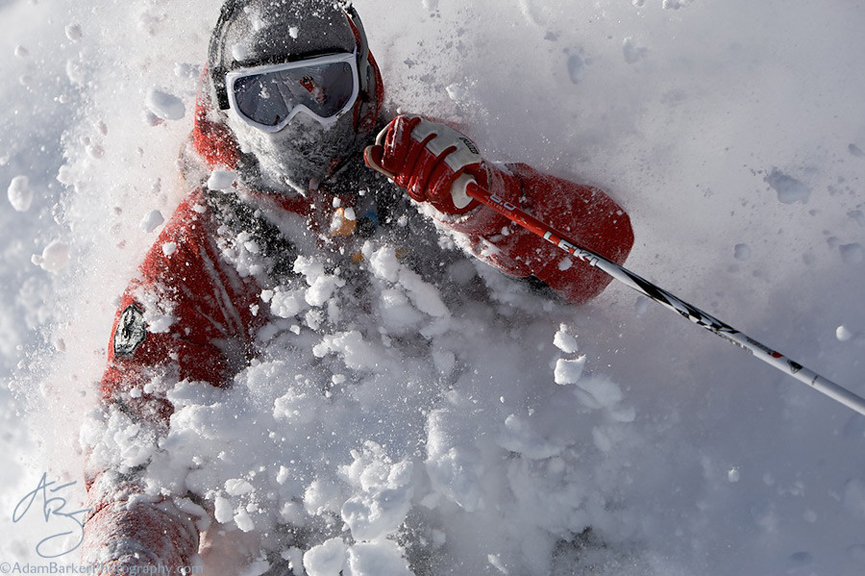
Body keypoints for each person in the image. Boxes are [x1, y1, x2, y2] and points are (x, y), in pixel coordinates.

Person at [79, 0, 634, 572]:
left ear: (363, 82)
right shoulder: (205, 244)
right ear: (227, 105)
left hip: (499, 486)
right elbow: (135, 450)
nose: (300, 122)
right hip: (312, 539)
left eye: (324, 89)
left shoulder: (428, 170)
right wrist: (131, 553)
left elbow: (603, 253)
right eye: (264, 101)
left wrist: (488, 205)